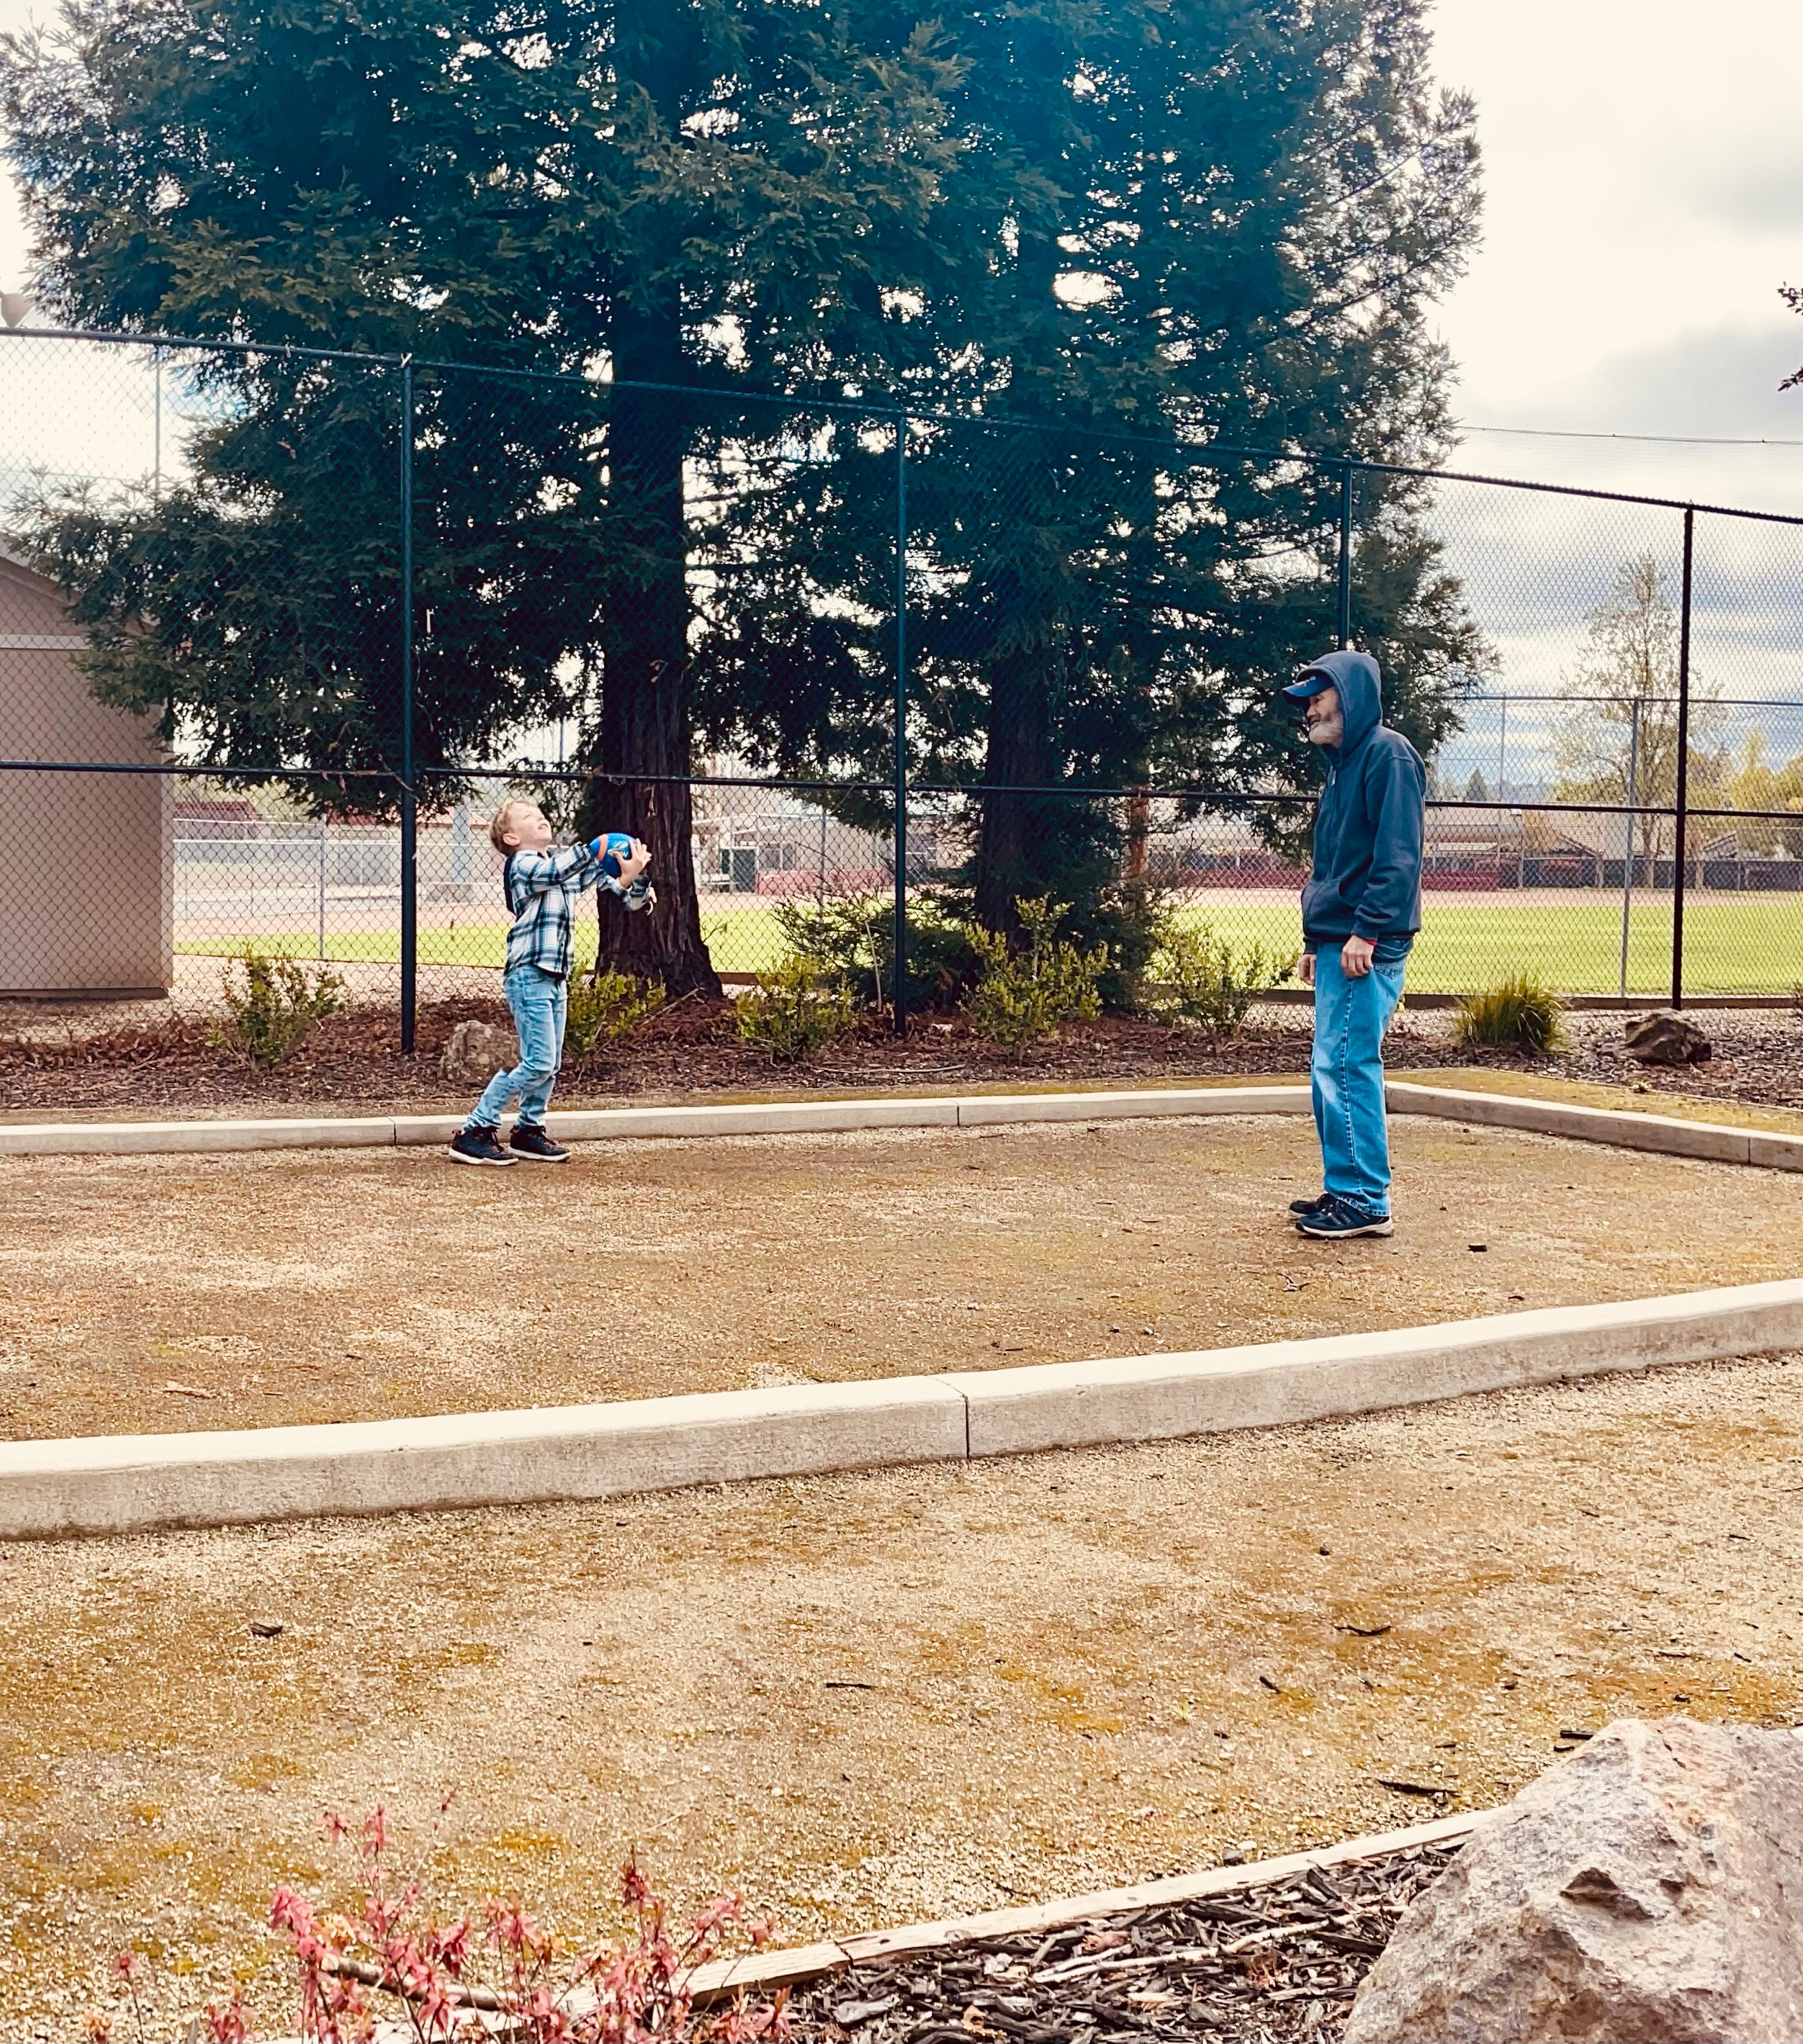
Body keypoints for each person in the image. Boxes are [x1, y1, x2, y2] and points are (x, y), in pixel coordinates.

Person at [1280, 649, 1424, 1239]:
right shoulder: (1343, 766)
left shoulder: (1388, 755)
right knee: (1331, 1065)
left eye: (1318, 697)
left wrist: (1365, 930)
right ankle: (1346, 1187)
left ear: (1349, 696)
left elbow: (1398, 856)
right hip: (1339, 941)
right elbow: (1332, 863)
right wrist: (1315, 939)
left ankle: (1366, 1199)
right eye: (1308, 703)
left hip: (1366, 942)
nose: (1310, 711)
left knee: (1346, 1064)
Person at [449, 801, 655, 1166]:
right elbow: (558, 871)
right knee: (538, 1063)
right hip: (529, 974)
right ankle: (475, 1130)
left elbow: (625, 897)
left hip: (554, 977)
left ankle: (529, 1130)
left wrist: (634, 876)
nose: (540, 818)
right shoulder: (523, 865)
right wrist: (594, 849)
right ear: (511, 838)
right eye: (529, 817)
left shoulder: (560, 870)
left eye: (541, 814)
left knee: (549, 1063)